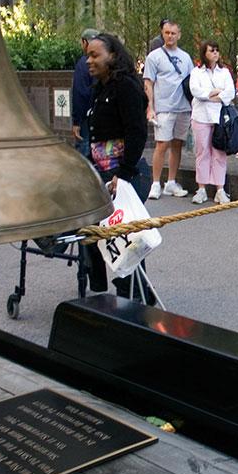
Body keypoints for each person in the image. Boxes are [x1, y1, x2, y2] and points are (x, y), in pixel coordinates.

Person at [83, 32, 154, 304]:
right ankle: (107, 290)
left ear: (112, 56)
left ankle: (132, 297)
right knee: (96, 232)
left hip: (124, 174)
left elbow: (137, 131)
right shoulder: (100, 88)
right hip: (102, 174)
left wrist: (122, 174)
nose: (89, 61)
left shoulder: (125, 86)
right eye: (87, 55)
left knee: (124, 237)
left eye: (94, 55)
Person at [143, 19, 193, 199]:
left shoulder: (186, 57)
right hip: (164, 107)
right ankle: (155, 183)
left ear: (179, 35)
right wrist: (150, 107)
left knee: (177, 144)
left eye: (173, 33)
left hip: (183, 107)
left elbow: (191, 82)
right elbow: (148, 82)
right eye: (167, 33)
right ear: (162, 34)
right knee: (161, 145)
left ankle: (171, 182)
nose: (170, 36)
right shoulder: (154, 57)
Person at [189, 40, 236, 205]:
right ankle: (201, 188)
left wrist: (211, 97)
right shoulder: (196, 72)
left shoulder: (224, 72)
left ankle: (220, 189)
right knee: (202, 153)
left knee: (219, 153)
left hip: (219, 118)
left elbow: (230, 93)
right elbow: (196, 91)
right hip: (201, 117)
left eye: (217, 50)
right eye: (211, 50)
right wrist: (216, 93)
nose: (215, 53)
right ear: (204, 53)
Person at [72, 28, 99, 158]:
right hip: (102, 114)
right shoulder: (106, 62)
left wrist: (76, 121)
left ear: (84, 42)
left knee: (84, 154)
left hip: (86, 119)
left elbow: (80, 93)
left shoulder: (83, 64)